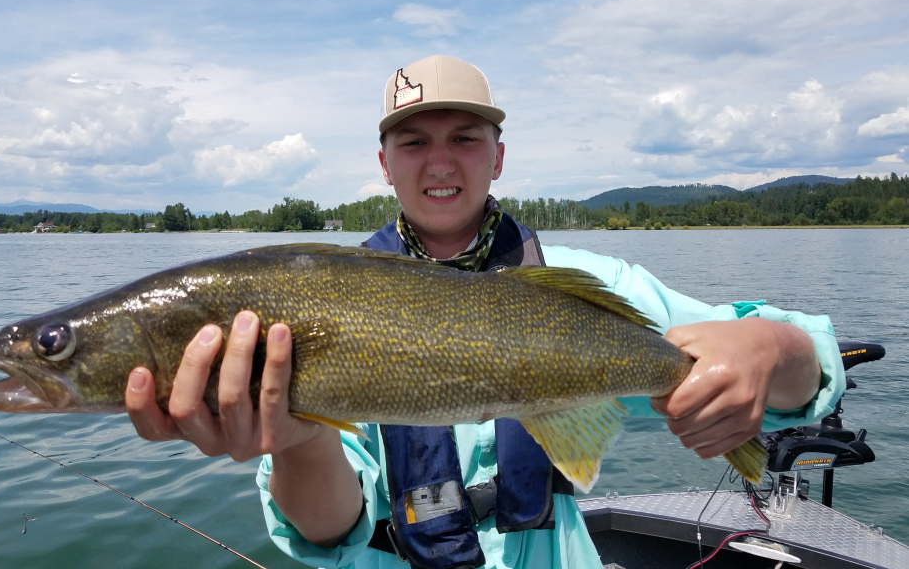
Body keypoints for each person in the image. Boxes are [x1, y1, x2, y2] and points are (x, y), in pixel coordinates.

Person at [125, 55, 845, 569]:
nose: (440, 163)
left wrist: (763, 353)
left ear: (497, 156)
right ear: (385, 164)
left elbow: (808, 373)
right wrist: (297, 439)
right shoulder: (321, 302)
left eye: (464, 138)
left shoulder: (588, 282)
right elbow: (326, 534)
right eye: (414, 142)